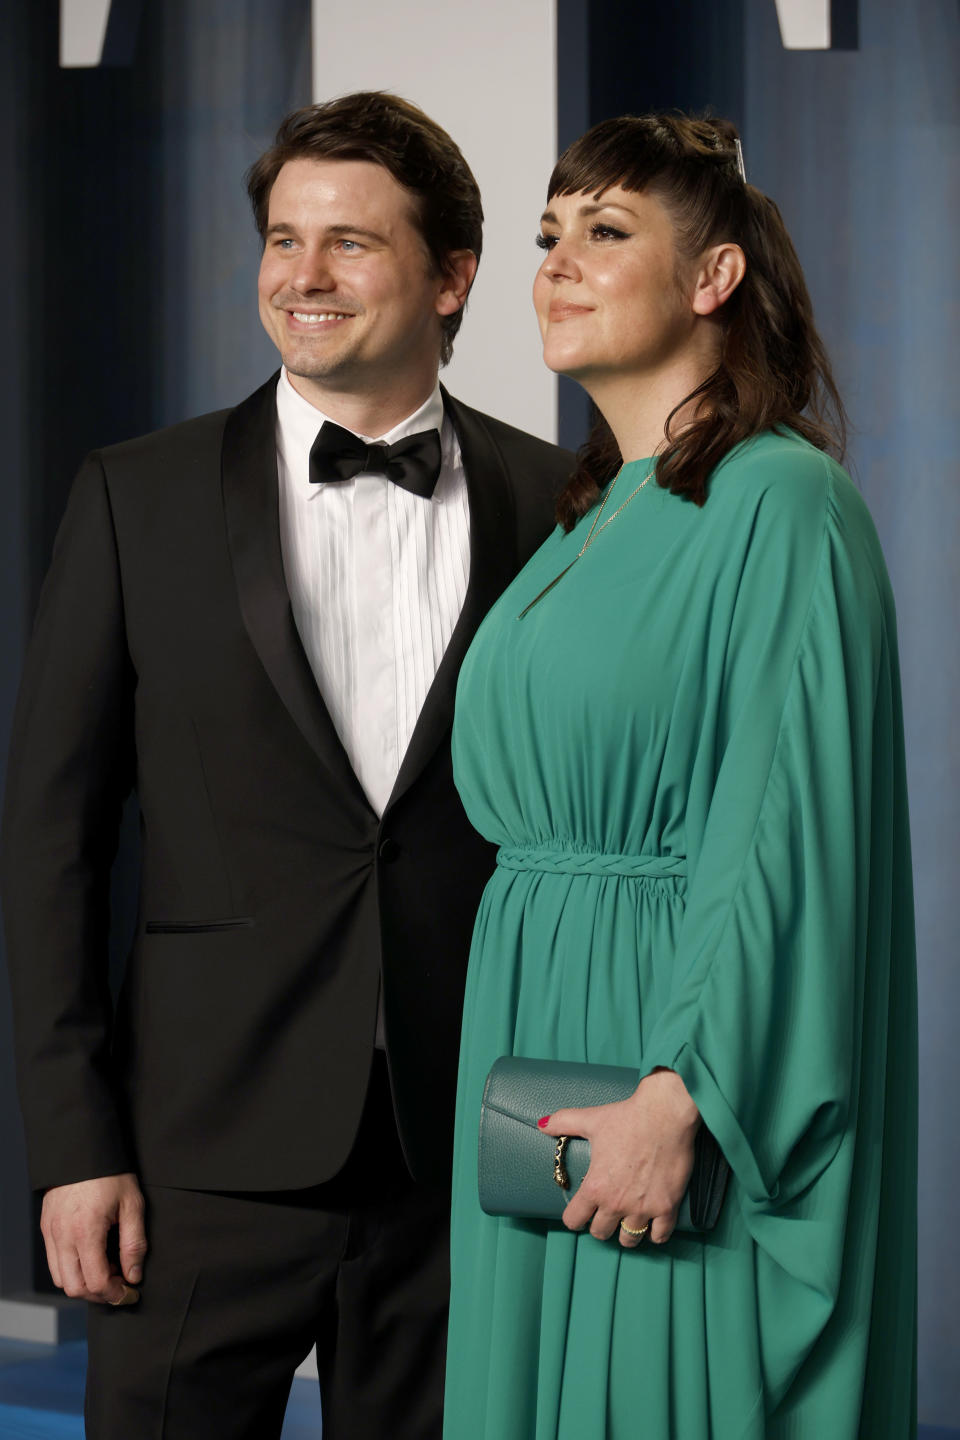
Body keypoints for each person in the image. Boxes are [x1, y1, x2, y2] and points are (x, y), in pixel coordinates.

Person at [0, 91, 571, 1439]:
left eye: (351, 244)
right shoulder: (135, 497)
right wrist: (75, 1150)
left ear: (452, 279)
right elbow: (50, 845)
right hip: (197, 1155)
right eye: (282, 238)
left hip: (477, 1147)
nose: (303, 276)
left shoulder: (562, 504)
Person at [443, 113, 917, 1439]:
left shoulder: (780, 503)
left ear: (713, 279)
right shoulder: (594, 517)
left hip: (658, 1050)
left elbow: (777, 827)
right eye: (547, 238)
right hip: (531, 1043)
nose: (557, 266)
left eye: (604, 232)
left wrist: (682, 1090)